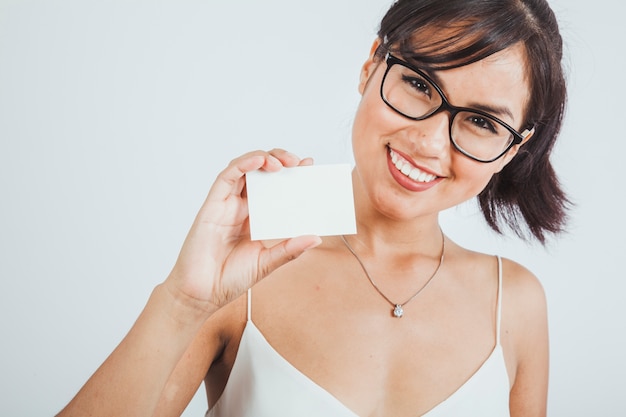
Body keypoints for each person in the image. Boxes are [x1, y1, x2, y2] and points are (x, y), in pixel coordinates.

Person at [56, 0, 569, 416]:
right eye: (418, 83)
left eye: (482, 121)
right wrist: (181, 304)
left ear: (513, 149)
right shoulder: (246, 272)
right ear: (371, 65)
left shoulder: (516, 305)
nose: (431, 143)